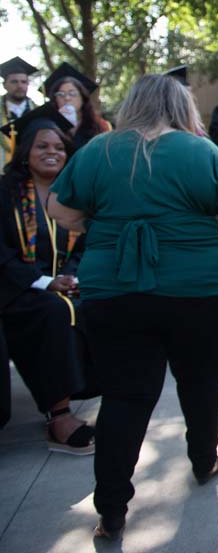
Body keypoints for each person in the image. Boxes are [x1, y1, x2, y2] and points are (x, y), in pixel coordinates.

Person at [47, 74, 218, 539]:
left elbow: (59, 209)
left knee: (124, 396)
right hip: (195, 291)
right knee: (200, 380)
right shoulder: (197, 150)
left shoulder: (98, 151)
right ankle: (204, 460)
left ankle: (112, 508)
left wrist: (98, 218)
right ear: (180, 107)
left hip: (113, 292)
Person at [0, 103, 94, 454]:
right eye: (42, 146)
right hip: (16, 289)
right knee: (51, 311)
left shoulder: (75, 195)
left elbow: (87, 243)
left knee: (106, 305)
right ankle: (59, 415)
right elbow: (2, 254)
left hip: (67, 285)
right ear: (25, 152)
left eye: (58, 147)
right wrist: (43, 282)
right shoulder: (4, 193)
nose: (52, 152)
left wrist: (71, 275)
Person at [42, 63, 111, 149]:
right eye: (61, 94)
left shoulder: (100, 126)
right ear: (55, 99)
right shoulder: (46, 125)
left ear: (83, 98)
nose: (67, 98)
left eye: (72, 93)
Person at [1, 56, 40, 165]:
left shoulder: (39, 111)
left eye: (23, 82)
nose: (20, 86)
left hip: (31, 171)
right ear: (5, 85)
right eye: (14, 82)